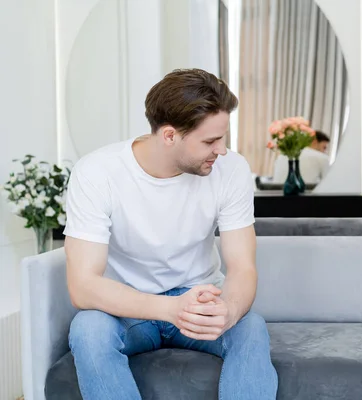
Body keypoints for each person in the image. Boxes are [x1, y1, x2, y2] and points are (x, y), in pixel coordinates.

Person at [63, 68, 278, 400]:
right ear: (168, 135)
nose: (221, 150)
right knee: (88, 329)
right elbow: (83, 286)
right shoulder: (97, 173)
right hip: (128, 307)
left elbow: (242, 267)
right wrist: (169, 309)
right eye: (210, 141)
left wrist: (229, 311)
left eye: (223, 138)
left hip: (200, 299)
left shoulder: (231, 169)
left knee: (250, 327)